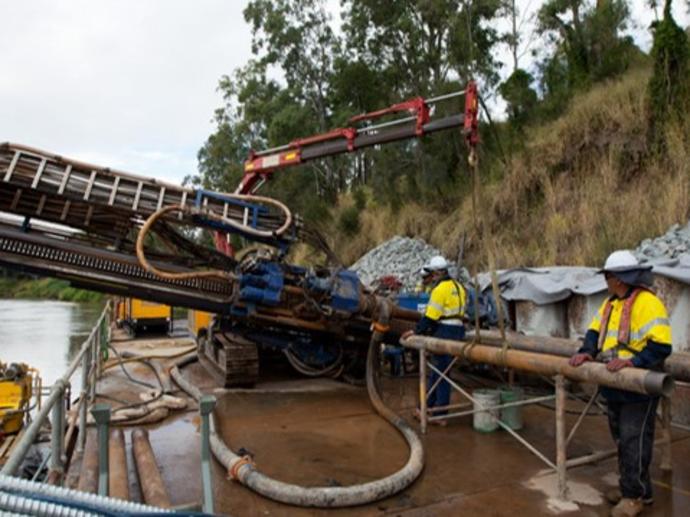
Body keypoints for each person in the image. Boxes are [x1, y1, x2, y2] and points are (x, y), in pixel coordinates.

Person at [568, 250, 672, 517]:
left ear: (621, 279)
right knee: (621, 438)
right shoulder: (610, 304)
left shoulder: (648, 303)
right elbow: (594, 332)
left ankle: (634, 496)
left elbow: (661, 346)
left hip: (638, 384)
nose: (606, 281)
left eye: (609, 276)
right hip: (614, 382)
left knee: (633, 439)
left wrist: (633, 362)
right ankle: (636, 489)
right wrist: (587, 350)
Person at [402, 255, 466, 426]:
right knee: (440, 371)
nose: (431, 277)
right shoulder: (459, 287)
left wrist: (414, 331)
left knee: (440, 374)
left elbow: (430, 317)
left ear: (438, 272)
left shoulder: (440, 290)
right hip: (459, 331)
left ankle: (440, 414)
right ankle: (427, 407)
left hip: (445, 331)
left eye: (432, 273)